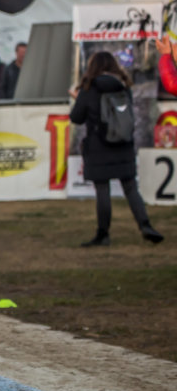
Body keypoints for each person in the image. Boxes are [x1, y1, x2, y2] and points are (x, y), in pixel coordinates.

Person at [68, 51, 164, 246]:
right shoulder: (123, 86)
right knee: (130, 188)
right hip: (123, 144)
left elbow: (77, 117)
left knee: (102, 190)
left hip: (98, 146)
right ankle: (145, 225)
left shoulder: (89, 88)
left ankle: (103, 234)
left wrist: (78, 98)